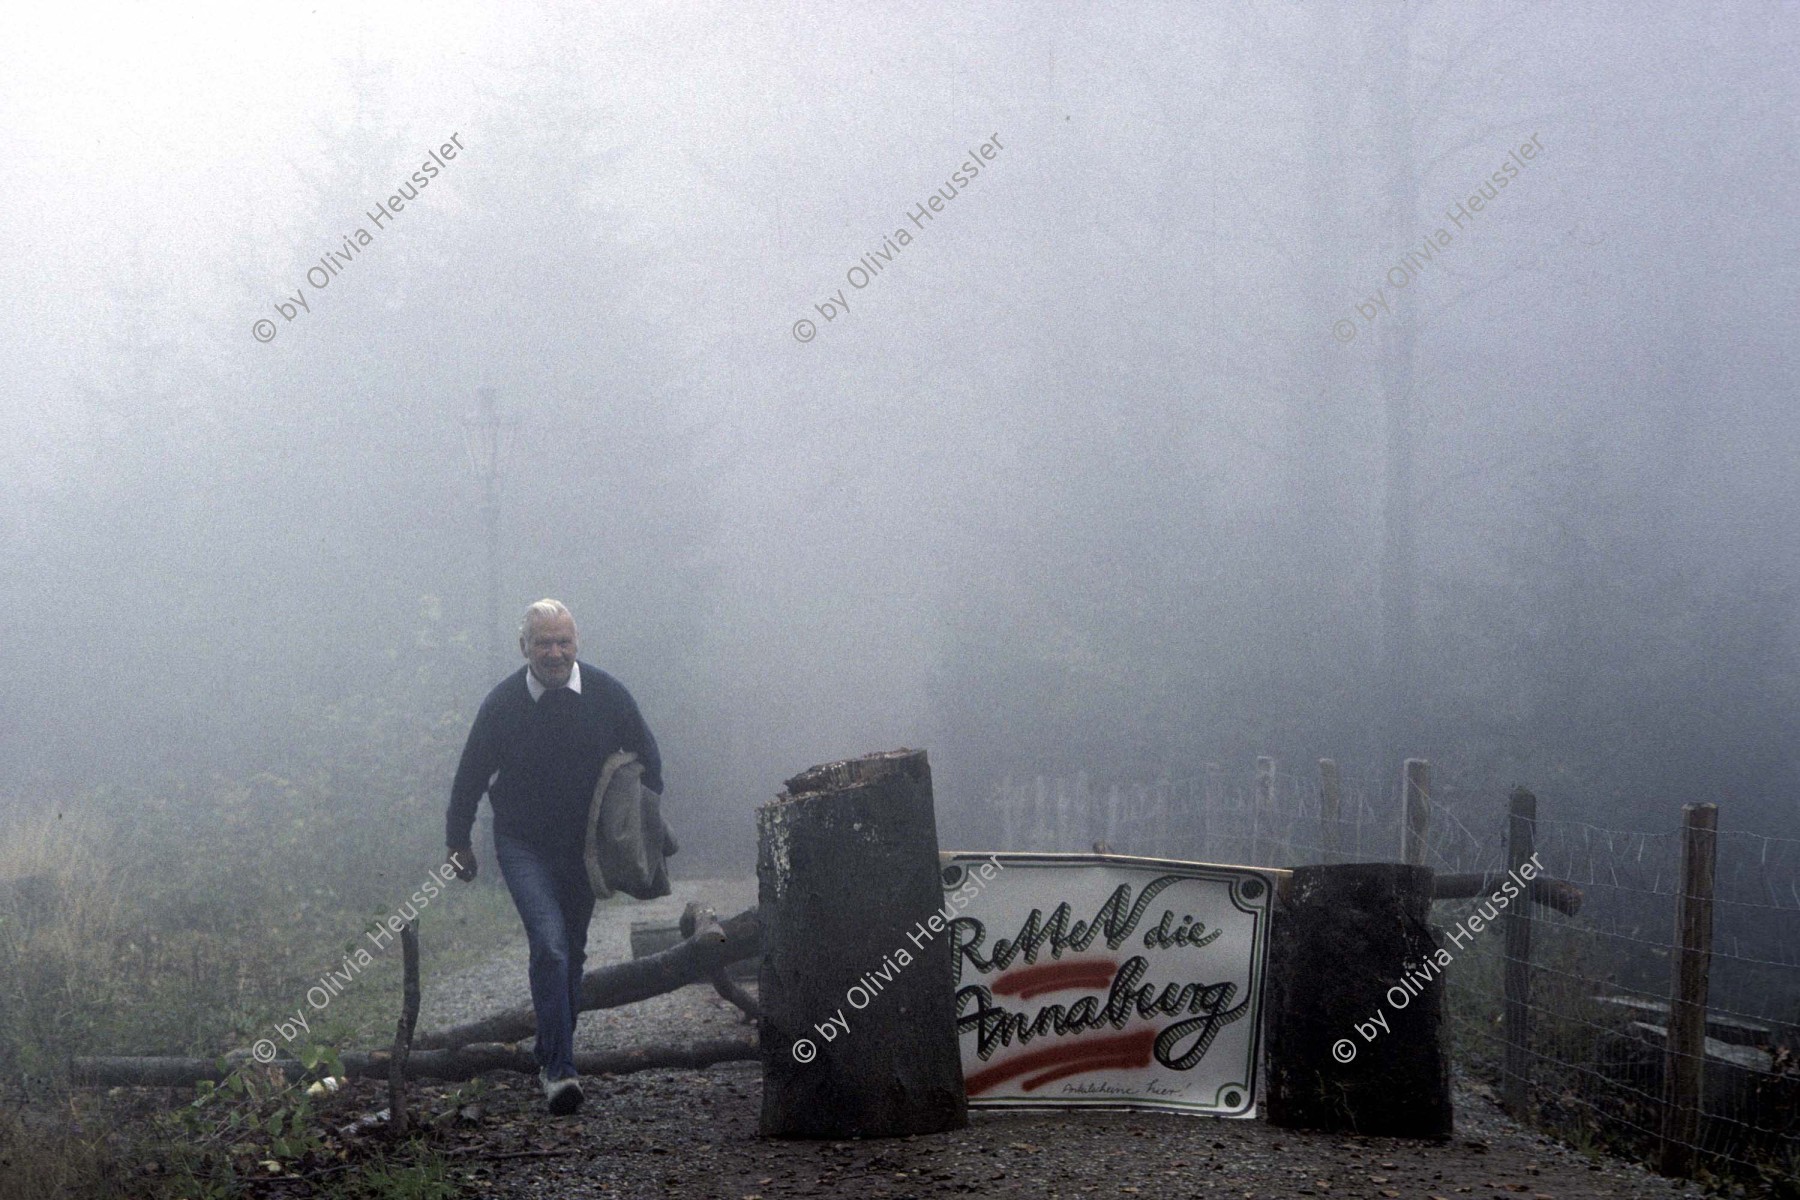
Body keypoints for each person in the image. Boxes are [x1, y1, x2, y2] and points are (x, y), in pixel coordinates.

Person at [446, 599, 662, 1115]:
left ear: (576, 643)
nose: (554, 652)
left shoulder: (608, 695)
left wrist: (632, 831)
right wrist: (457, 842)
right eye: (543, 642)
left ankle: (550, 1047)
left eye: (563, 641)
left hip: (583, 851)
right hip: (521, 844)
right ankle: (560, 1072)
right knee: (550, 943)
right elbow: (470, 775)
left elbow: (650, 763)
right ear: (525, 648)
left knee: (573, 951)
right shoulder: (501, 704)